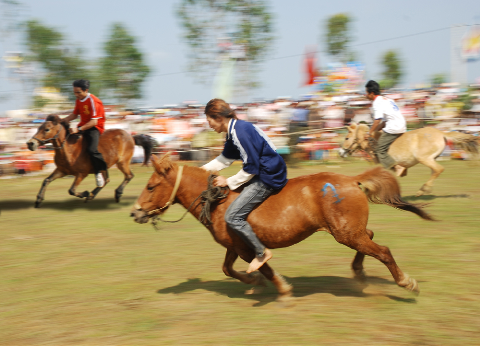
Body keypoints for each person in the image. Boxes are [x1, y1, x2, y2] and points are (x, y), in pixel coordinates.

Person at [202, 98, 288, 273]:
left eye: (209, 120)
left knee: (232, 216)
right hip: (264, 171)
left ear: (218, 117)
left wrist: (228, 181)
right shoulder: (234, 130)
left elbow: (252, 167)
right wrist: (197, 172)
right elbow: (224, 159)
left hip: (268, 176)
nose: (209, 125)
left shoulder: (239, 132)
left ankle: (261, 252)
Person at [62, 79, 108, 187]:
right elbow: (74, 115)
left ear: (86, 90)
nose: (76, 95)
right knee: (67, 142)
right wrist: (62, 121)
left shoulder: (93, 101)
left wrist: (78, 129)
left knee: (92, 150)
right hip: (83, 126)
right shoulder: (78, 100)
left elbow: (94, 121)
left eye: (78, 92)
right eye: (74, 92)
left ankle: (99, 172)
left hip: (95, 127)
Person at [364, 80, 406, 177]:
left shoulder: (376, 102)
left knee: (379, 150)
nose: (366, 95)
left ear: (372, 93)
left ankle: (397, 167)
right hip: (401, 125)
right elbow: (384, 121)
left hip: (394, 127)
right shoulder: (387, 99)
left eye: (367, 93)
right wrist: (376, 130)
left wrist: (369, 133)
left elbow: (377, 120)